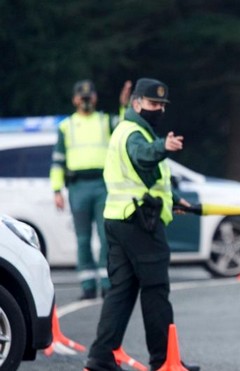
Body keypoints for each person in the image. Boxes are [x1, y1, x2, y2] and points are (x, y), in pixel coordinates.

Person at [84, 78, 198, 371]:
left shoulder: (127, 129)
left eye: (161, 105)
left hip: (119, 219)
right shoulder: (136, 135)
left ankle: (101, 356)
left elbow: (145, 180)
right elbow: (143, 158)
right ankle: (164, 361)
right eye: (152, 104)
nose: (158, 109)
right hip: (140, 223)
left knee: (121, 290)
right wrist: (164, 147)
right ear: (136, 104)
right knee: (156, 289)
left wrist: (174, 200)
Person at [50, 79, 132, 300]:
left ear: (95, 98)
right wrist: (57, 190)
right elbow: (58, 161)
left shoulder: (105, 121)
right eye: (82, 97)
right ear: (75, 99)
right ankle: (87, 284)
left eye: (89, 96)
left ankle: (107, 282)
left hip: (102, 184)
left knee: (106, 236)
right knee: (83, 239)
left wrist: (124, 105)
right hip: (78, 186)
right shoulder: (66, 126)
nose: (85, 100)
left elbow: (125, 127)